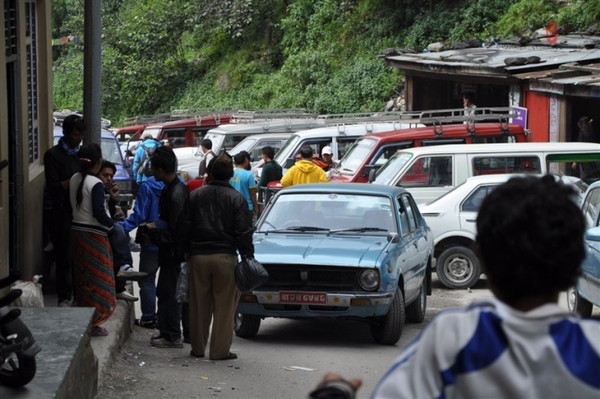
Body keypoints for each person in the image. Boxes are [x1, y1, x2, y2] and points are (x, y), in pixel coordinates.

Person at [312, 174, 600, 399]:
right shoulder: (593, 348)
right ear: (577, 265)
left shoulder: (454, 338)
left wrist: (336, 392)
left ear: (483, 260)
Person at [187, 152, 254, 360]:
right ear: (230, 175)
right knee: (225, 308)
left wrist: (186, 249)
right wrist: (247, 256)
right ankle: (219, 351)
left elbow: (185, 225)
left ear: (210, 173)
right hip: (226, 257)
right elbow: (243, 232)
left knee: (199, 305)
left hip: (198, 256)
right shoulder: (237, 198)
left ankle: (197, 348)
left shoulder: (195, 195)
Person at [138, 145, 190, 348]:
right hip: (169, 250)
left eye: (153, 168)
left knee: (169, 293)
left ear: (160, 169)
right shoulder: (172, 188)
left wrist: (156, 237)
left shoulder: (176, 192)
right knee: (164, 290)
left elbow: (177, 229)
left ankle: (172, 335)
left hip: (173, 251)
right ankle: (167, 331)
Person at [69, 143, 117, 337]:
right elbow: (99, 212)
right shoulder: (95, 183)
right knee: (100, 278)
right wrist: (112, 226)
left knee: (84, 277)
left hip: (77, 232)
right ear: (98, 163)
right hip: (94, 235)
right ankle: (95, 321)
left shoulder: (74, 179)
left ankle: (85, 318)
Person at [44, 114, 86, 306]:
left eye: (81, 134)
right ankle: (64, 297)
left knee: (81, 256)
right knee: (64, 256)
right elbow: (53, 186)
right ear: (67, 133)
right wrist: (75, 180)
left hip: (81, 212)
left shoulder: (82, 154)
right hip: (61, 213)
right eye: (76, 134)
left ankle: (80, 295)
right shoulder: (53, 155)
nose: (79, 138)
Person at [98, 160, 146, 302]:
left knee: (119, 229)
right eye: (104, 175)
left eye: (110, 176)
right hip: (95, 228)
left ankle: (120, 284)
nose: (108, 179)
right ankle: (125, 265)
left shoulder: (104, 191)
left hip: (105, 228)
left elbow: (111, 213)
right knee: (118, 229)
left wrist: (113, 199)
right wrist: (111, 225)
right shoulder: (95, 188)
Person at [120, 175, 164, 329]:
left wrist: (119, 229)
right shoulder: (179, 185)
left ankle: (149, 318)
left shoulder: (147, 187)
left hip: (150, 241)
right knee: (168, 282)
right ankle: (166, 319)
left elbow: (140, 214)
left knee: (147, 281)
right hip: (169, 242)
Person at [230, 151, 258, 220]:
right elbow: (253, 193)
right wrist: (256, 207)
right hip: (247, 207)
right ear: (245, 161)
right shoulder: (249, 175)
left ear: (235, 162)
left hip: (232, 206)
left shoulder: (230, 174)